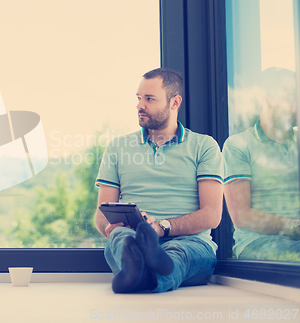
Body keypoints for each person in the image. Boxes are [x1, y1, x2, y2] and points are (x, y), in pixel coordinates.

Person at [94, 68, 223, 293]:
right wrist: (108, 226)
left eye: (149, 99)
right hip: (134, 237)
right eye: (139, 98)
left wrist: (161, 228)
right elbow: (101, 213)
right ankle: (145, 271)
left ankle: (141, 275)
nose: (140, 105)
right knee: (121, 238)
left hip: (191, 243)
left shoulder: (205, 147)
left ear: (174, 102)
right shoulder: (117, 148)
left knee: (179, 254)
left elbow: (212, 215)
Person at [223, 68, 300, 261]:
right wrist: (295, 226)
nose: (297, 104)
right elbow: (241, 216)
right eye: (292, 97)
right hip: (257, 243)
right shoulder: (238, 145)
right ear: (267, 100)